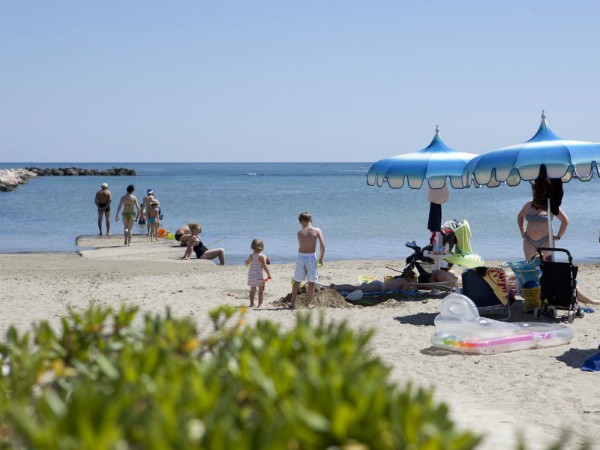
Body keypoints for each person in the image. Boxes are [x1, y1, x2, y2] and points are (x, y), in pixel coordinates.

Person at [517, 185, 568, 261]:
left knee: (547, 265)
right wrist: (523, 232)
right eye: (534, 190)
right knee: (530, 265)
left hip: (546, 240)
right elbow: (520, 217)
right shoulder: (528, 205)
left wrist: (558, 236)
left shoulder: (551, 205)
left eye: (537, 191)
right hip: (529, 240)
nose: (535, 193)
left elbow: (565, 221)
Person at [290, 212, 326, 309]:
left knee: (296, 280)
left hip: (300, 256)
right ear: (310, 220)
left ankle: (292, 303)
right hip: (311, 257)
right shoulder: (317, 230)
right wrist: (321, 258)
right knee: (311, 282)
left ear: (302, 221)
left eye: (301, 223)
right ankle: (309, 304)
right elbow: (322, 246)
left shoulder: (299, 233)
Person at [331, 270, 417, 294]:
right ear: (410, 278)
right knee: (356, 288)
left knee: (356, 287)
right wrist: (413, 286)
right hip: (380, 287)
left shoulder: (400, 279)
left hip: (379, 284)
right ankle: (336, 287)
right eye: (415, 280)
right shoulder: (405, 282)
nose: (415, 281)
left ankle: (337, 287)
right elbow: (405, 291)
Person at [245, 239, 272, 307]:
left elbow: (247, 263)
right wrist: (268, 274)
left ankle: (252, 304)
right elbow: (265, 266)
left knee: (252, 291)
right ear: (262, 247)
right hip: (260, 276)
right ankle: (260, 304)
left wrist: (247, 262)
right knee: (261, 291)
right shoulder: (262, 256)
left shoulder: (251, 256)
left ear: (252, 247)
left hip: (252, 276)